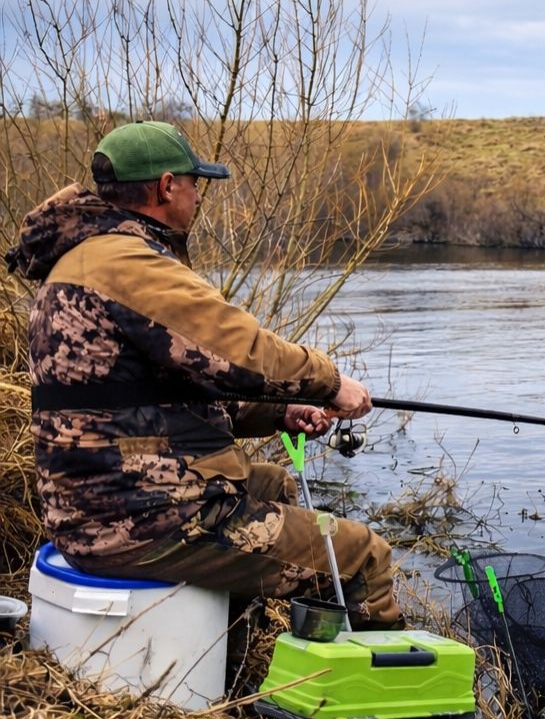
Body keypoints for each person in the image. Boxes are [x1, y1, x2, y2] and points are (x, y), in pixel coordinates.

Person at [4, 121, 401, 629]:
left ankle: (229, 660)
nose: (197, 196)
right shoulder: (128, 265)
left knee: (274, 484)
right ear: (167, 186)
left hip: (104, 504)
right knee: (362, 555)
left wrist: (281, 413)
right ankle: (383, 695)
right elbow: (244, 353)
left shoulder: (86, 258)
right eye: (194, 183)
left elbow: (163, 392)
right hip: (141, 519)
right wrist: (331, 383)